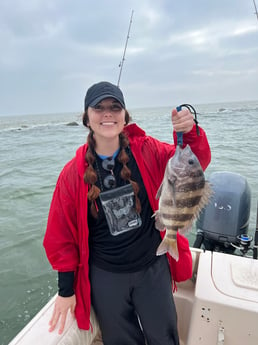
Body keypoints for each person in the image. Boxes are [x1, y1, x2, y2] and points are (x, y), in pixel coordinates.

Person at [43, 81, 211, 345]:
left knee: (164, 337)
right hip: (106, 276)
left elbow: (193, 165)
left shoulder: (147, 150)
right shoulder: (72, 174)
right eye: (99, 108)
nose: (107, 113)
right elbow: (60, 236)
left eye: (115, 107)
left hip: (152, 267)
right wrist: (66, 291)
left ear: (125, 117)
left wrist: (190, 133)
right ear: (87, 118)